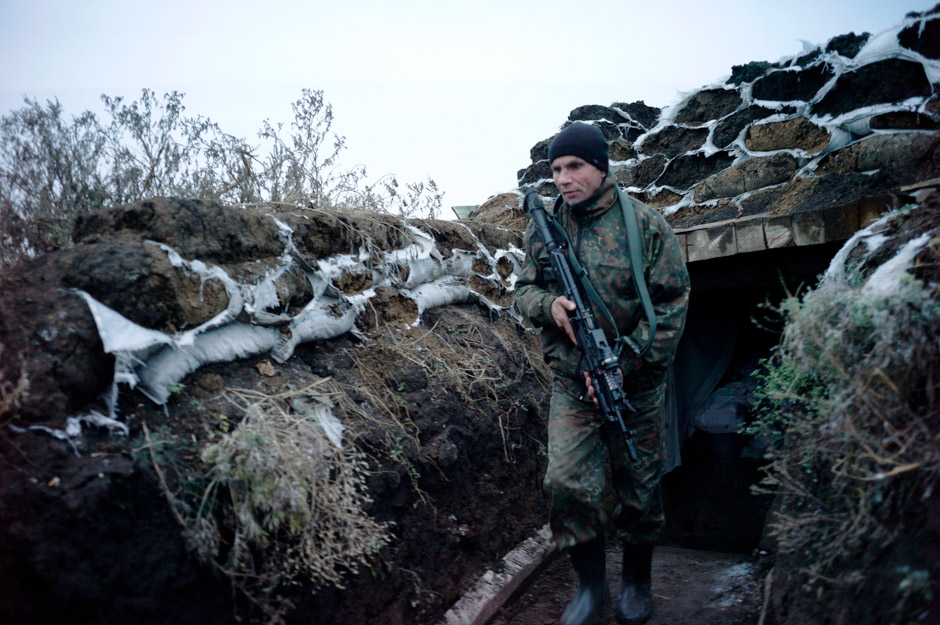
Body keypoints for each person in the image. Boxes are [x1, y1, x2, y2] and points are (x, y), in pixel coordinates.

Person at [514, 122, 690, 625]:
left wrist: (627, 359)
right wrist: (551, 306)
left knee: (640, 485)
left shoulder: (645, 225)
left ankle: (636, 581)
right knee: (566, 483)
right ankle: (590, 586)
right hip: (572, 380)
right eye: (557, 170)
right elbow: (522, 291)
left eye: (575, 167)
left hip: (635, 379)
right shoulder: (545, 227)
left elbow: (674, 301)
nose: (565, 179)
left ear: (601, 167)